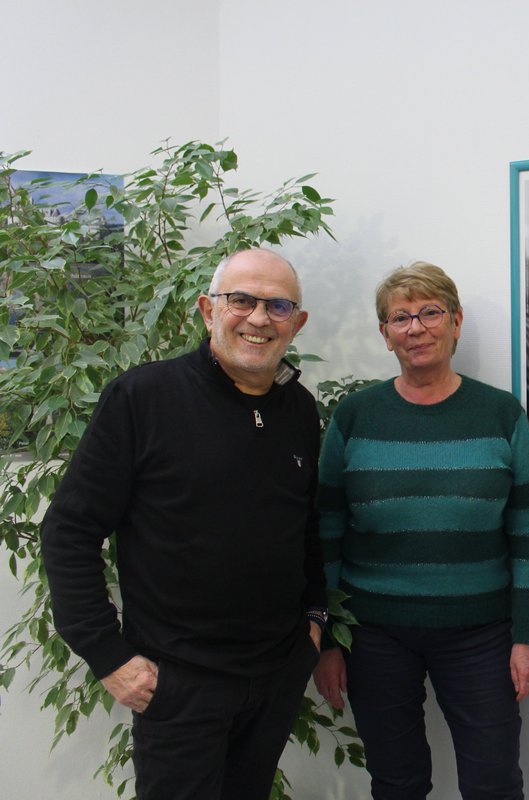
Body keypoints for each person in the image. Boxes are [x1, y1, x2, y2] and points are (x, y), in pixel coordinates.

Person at [40, 248, 326, 800]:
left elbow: (304, 527)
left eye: (278, 305)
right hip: (179, 685)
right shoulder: (143, 398)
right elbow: (69, 531)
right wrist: (109, 656)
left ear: (298, 321)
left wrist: (313, 621)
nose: (260, 318)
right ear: (206, 310)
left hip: (275, 677)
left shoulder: (299, 411)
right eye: (241, 300)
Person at [312, 262, 529, 800]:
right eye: (400, 317)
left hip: (481, 633)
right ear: (385, 333)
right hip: (374, 635)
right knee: (397, 783)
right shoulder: (354, 417)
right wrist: (328, 640)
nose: (415, 328)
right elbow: (324, 533)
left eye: (430, 313)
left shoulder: (500, 413)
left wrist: (528, 636)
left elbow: (528, 534)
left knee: (494, 782)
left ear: (456, 322)